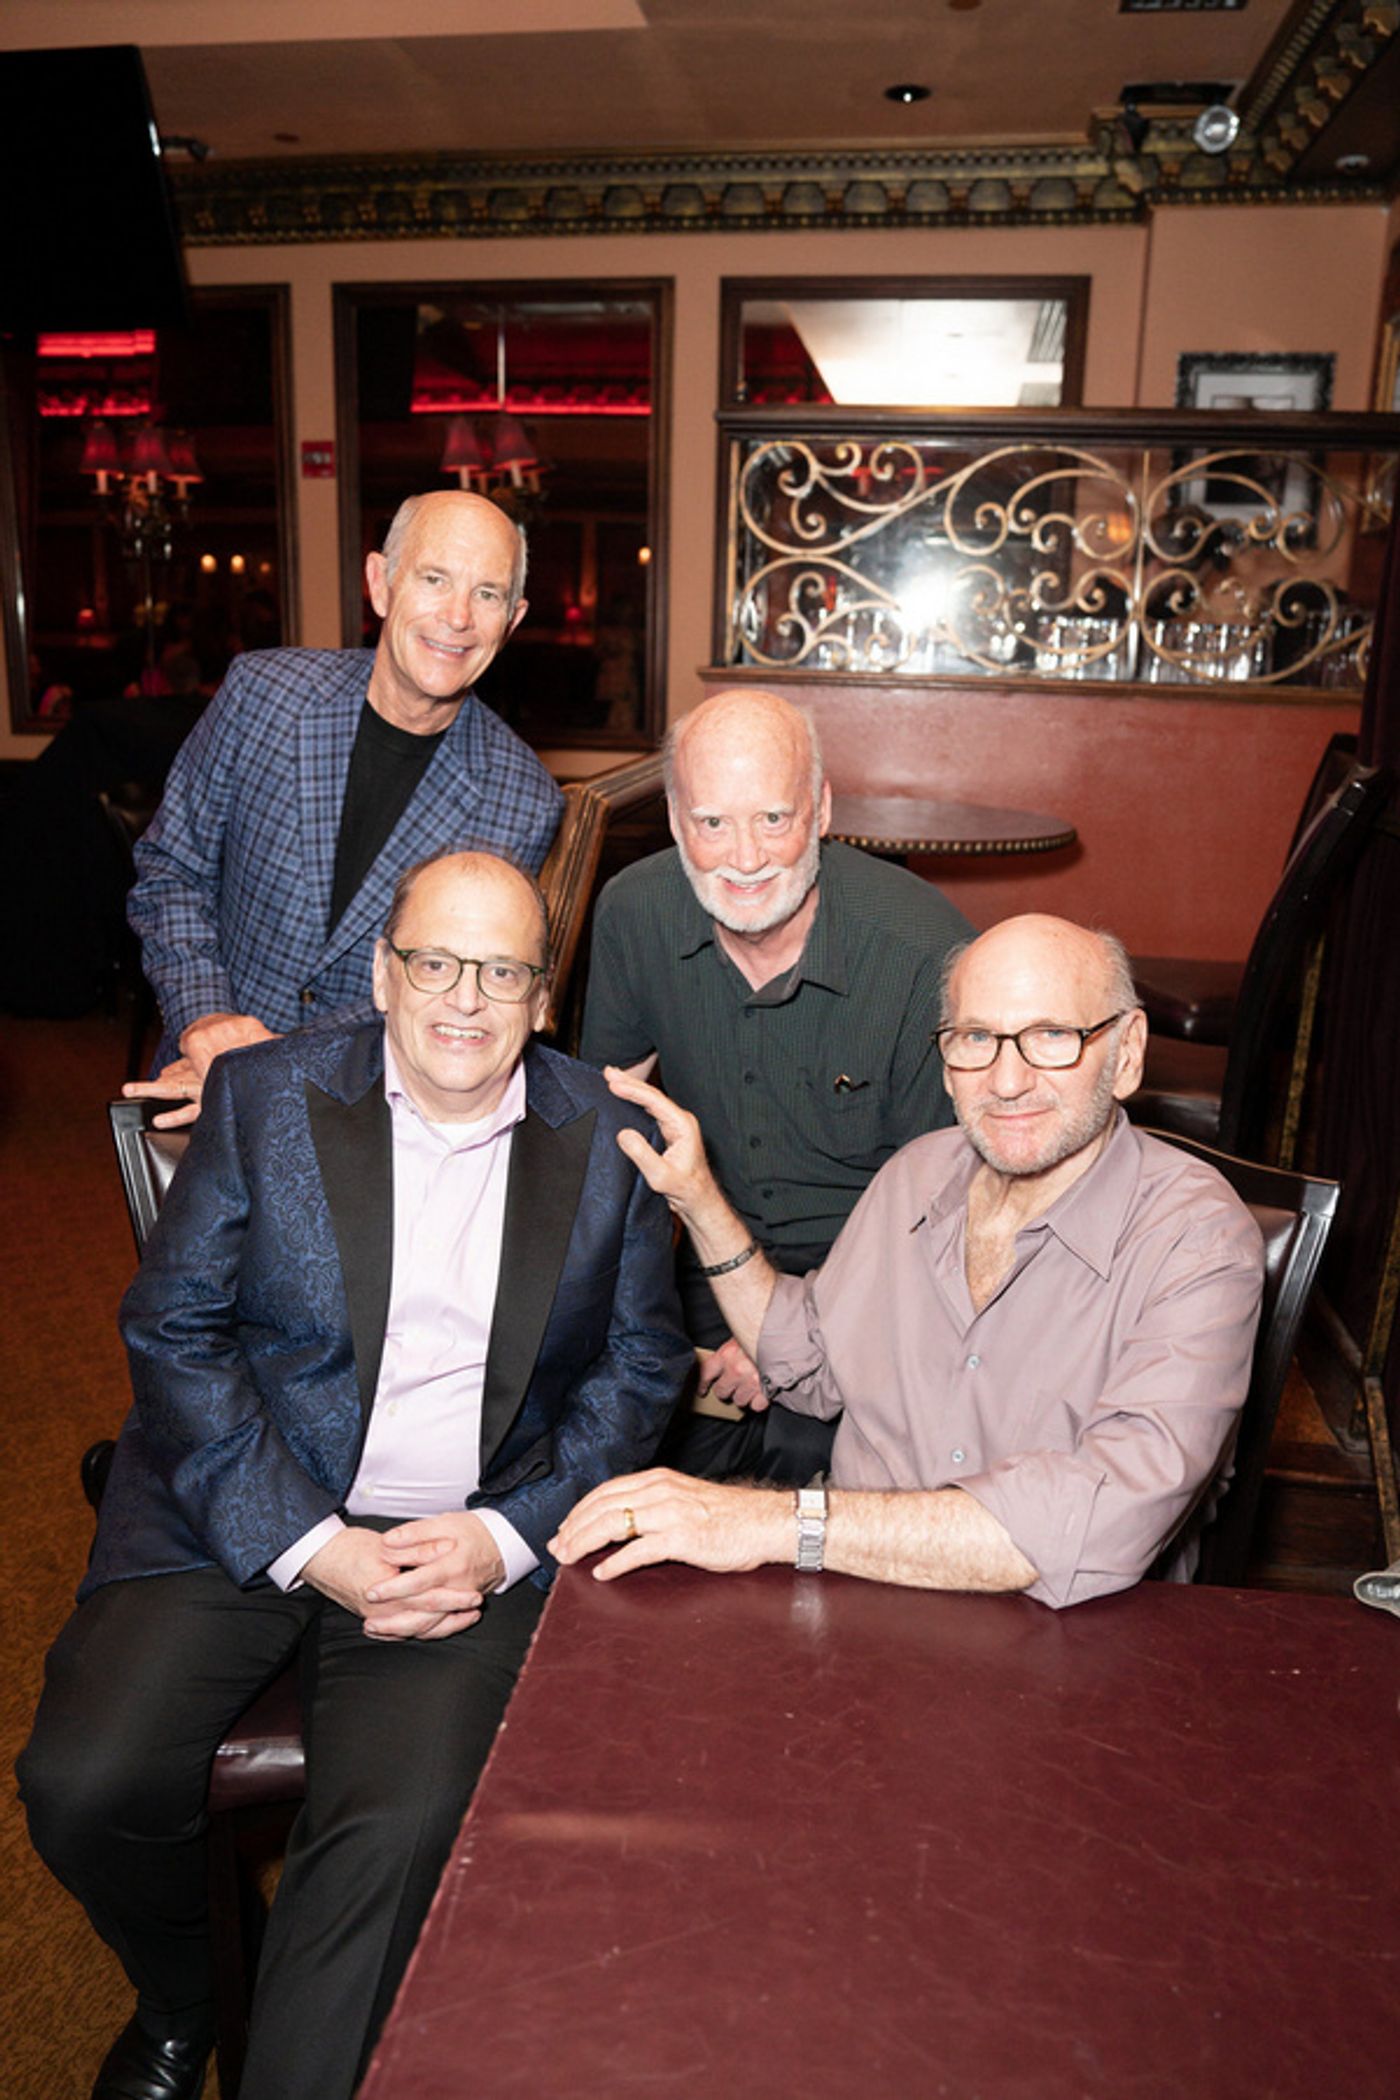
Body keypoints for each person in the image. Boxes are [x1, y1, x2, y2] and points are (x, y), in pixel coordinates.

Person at [19, 850, 691, 2100]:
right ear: (385, 972)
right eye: (433, 961)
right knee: (83, 1782)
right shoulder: (264, 1097)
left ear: (545, 998)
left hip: (460, 1541)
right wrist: (306, 1539)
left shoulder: (605, 1137)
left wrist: (504, 1536)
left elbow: (642, 1371)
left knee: (386, 1837)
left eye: (501, 971)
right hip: (246, 1498)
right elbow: (173, 1331)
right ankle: (190, 1996)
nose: (462, 998)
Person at [553, 914, 1266, 1608]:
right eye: (977, 1038)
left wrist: (770, 1522)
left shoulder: (1196, 1238)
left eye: (1052, 1036)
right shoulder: (918, 1175)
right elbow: (805, 1361)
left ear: (1128, 1052)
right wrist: (701, 1201)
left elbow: (1095, 1526)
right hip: (854, 1600)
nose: (1008, 1080)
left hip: (1064, 1652)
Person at [579, 685, 972, 1481]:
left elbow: (943, 1218)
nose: (745, 857)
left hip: (871, 1298)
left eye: (773, 818)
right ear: (675, 821)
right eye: (712, 822)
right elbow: (603, 1124)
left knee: (822, 1477)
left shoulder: (925, 953)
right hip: (692, 1283)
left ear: (821, 810)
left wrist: (791, 1337)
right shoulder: (632, 913)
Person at [126, 489, 562, 1125]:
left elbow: (447, 993)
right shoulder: (261, 695)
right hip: (198, 1084)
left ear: (513, 620)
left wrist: (271, 1065)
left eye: (487, 594)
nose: (458, 617)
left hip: (358, 1118)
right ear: (380, 583)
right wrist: (206, 1017)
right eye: (435, 578)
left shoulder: (522, 798)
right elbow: (170, 869)